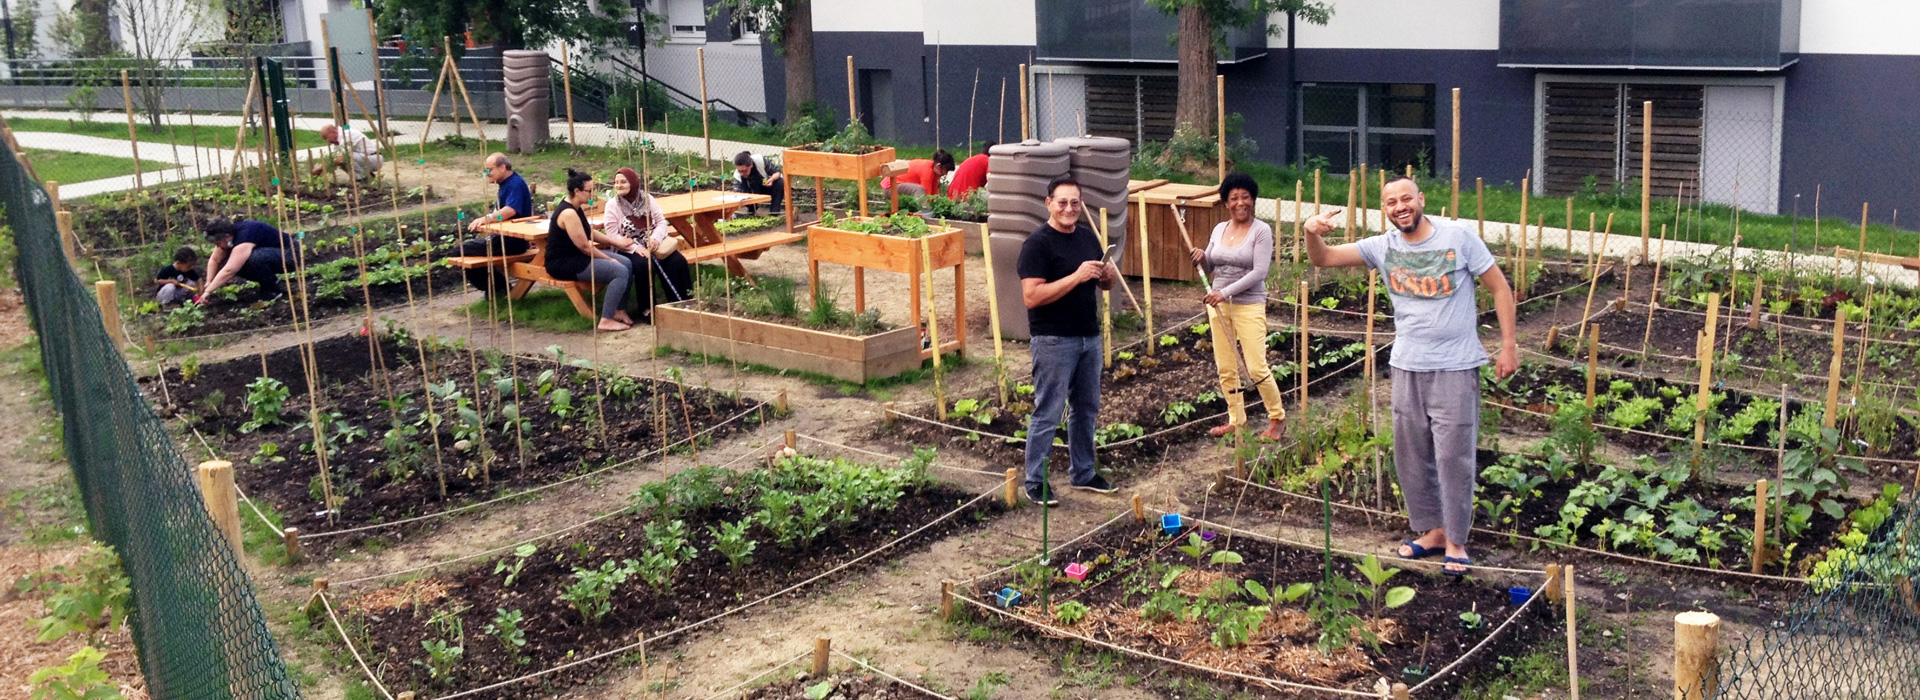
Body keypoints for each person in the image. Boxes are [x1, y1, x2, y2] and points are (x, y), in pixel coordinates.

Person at [1303, 175, 1518, 576]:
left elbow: (1500, 288)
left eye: (1406, 199)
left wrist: (1508, 345)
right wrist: (1309, 232)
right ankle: (1432, 531)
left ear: (1421, 200)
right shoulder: (1382, 246)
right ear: (1384, 209)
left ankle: (1456, 539)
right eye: (1390, 202)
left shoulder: (1458, 237)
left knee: (1453, 455)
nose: (1400, 207)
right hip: (1407, 363)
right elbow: (1323, 259)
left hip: (1455, 364)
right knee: (1411, 454)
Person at [1017, 175, 1119, 505]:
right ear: (1049, 204)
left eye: (1075, 202)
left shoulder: (1089, 238)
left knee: (1086, 408)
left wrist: (1107, 277)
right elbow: (1032, 296)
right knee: (1048, 411)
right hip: (1053, 339)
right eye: (1062, 202)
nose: (1069, 208)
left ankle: (1083, 473)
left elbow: (1104, 287)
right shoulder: (1037, 244)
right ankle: (1035, 480)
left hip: (1088, 337)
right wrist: (1076, 277)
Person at [1188, 172, 1285, 441]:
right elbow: (1210, 265)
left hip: (1248, 305)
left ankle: (1277, 417)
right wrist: (1200, 257)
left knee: (1256, 367)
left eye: (1245, 197)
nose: (1240, 202)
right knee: (1226, 367)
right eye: (1234, 198)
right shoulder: (1219, 229)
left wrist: (1224, 292)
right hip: (1219, 307)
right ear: (1226, 203)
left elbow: (1259, 272)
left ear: (1253, 200)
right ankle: (1236, 419)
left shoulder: (1261, 231)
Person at [545, 169, 635, 332]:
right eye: (589, 191)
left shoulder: (577, 207)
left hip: (577, 256)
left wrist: (616, 242)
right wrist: (609, 259)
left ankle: (619, 310)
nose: (593, 194)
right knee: (619, 270)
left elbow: (589, 232)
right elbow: (584, 246)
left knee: (626, 262)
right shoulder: (568, 213)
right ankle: (606, 320)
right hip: (564, 262)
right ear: (577, 191)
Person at [601, 166, 694, 321]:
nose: (619, 185)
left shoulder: (647, 199)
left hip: (653, 242)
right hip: (627, 247)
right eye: (616, 182)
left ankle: (682, 302)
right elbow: (612, 235)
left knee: (677, 261)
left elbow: (661, 222)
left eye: (623, 182)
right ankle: (646, 308)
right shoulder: (612, 205)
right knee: (644, 264)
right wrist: (636, 248)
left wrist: (656, 238)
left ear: (633, 182)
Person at [459, 153, 535, 295]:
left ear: (502, 167)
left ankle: (499, 288)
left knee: (461, 250)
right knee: (469, 251)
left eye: (489, 170)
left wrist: (487, 218)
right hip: (506, 239)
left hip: (511, 241)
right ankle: (496, 288)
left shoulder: (515, 184)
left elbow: (510, 210)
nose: (486, 174)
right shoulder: (507, 183)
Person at [196, 218, 300, 303]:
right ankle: (269, 280)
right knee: (228, 260)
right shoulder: (231, 236)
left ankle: (272, 290)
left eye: (218, 243)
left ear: (227, 237)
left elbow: (229, 271)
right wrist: (208, 282)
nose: (217, 247)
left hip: (290, 253)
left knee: (252, 259)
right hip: (271, 253)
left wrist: (208, 292)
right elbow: (215, 260)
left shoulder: (244, 238)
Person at [316, 124, 384, 182]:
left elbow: (341, 157)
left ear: (333, 132)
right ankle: (367, 177)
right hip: (364, 159)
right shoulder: (337, 141)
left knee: (346, 157)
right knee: (341, 162)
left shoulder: (346, 135)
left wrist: (321, 169)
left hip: (375, 159)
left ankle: (362, 179)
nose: (327, 141)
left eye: (326, 138)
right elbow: (335, 159)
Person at [731, 151, 785, 216]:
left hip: (766, 187)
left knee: (780, 182)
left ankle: (774, 213)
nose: (742, 174)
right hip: (750, 193)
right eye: (740, 171)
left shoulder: (760, 160)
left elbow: (777, 172)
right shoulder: (737, 176)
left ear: (751, 165)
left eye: (744, 170)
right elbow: (737, 195)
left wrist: (772, 179)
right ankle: (751, 212)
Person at [889, 149, 955, 198]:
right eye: (946, 170)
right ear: (938, 166)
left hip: (899, 186)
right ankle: (924, 213)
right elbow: (926, 195)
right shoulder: (927, 171)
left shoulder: (934, 172)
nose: (945, 174)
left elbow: (934, 193)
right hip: (891, 187)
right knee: (919, 190)